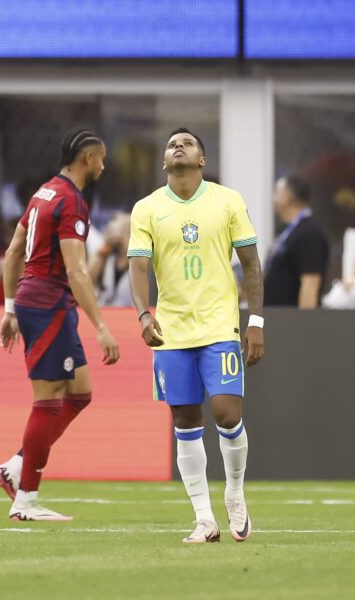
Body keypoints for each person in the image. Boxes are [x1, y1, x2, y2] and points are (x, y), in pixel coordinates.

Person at [127, 128, 264, 544]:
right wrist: (143, 314)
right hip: (172, 331)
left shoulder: (228, 200)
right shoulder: (147, 208)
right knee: (185, 422)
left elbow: (251, 264)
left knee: (227, 414)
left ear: (202, 159)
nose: (178, 146)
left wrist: (256, 322)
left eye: (186, 142)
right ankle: (204, 519)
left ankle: (235, 493)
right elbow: (138, 267)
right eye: (172, 144)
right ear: (164, 161)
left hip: (219, 325)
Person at [0, 129, 120, 522]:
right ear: (87, 159)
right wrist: (101, 326)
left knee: (79, 393)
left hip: (37, 301)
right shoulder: (71, 201)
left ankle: (17, 466)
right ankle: (26, 499)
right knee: (47, 400)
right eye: (102, 158)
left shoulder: (44, 193)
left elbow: (14, 251)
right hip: (49, 303)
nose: (104, 166)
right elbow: (77, 270)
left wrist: (10, 308)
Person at [264, 176, 329, 308]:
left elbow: (310, 284)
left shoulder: (309, 233)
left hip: (290, 318)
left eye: (277, 192)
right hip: (275, 315)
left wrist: (303, 320)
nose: (273, 198)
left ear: (287, 197)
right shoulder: (290, 231)